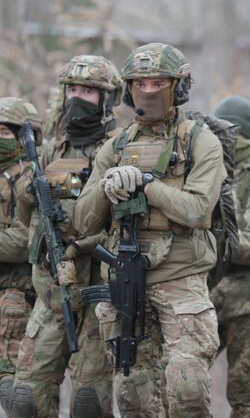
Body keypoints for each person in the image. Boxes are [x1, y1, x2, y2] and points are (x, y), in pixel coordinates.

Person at [73, 43, 224, 417]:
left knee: (188, 390)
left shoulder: (200, 141)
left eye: (159, 82)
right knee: (133, 395)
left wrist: (144, 183)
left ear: (179, 87)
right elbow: (83, 221)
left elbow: (198, 210)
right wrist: (107, 187)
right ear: (128, 89)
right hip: (125, 278)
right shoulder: (115, 146)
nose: (149, 91)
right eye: (141, 83)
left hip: (181, 276)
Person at [9, 56, 121, 418]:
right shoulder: (50, 150)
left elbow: (120, 225)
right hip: (52, 292)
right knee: (24, 398)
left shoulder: (119, 148)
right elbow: (30, 220)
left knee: (89, 403)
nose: (77, 98)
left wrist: (81, 243)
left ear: (107, 99)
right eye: (72, 89)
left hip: (96, 292)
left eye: (88, 91)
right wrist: (31, 192)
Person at [210, 96, 250, 418]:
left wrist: (205, 243)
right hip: (205, 298)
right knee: (180, 386)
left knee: (247, 398)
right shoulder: (206, 164)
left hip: (249, 304)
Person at [0, 98, 40, 414]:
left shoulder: (31, 178)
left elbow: (24, 239)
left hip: (19, 296)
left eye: (4, 131)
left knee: (17, 394)